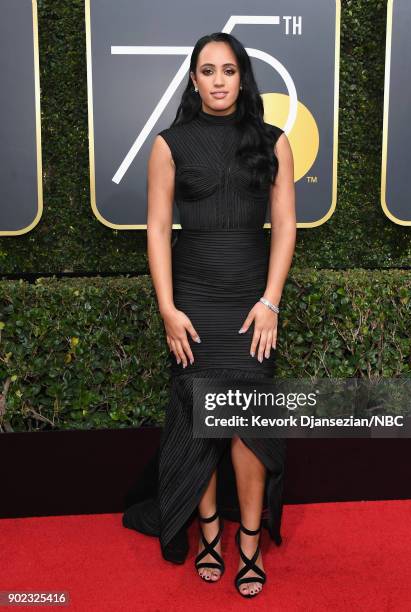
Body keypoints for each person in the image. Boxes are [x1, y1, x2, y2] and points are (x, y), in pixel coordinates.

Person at [122, 31, 296, 598]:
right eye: (207, 70)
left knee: (247, 428)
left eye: (228, 70)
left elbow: (285, 227)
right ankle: (211, 536)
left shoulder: (273, 141)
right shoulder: (169, 144)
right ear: (193, 79)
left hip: (251, 305)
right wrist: (168, 309)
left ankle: (250, 545)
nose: (218, 80)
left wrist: (270, 301)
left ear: (243, 77)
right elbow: (155, 230)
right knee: (202, 423)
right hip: (194, 302)